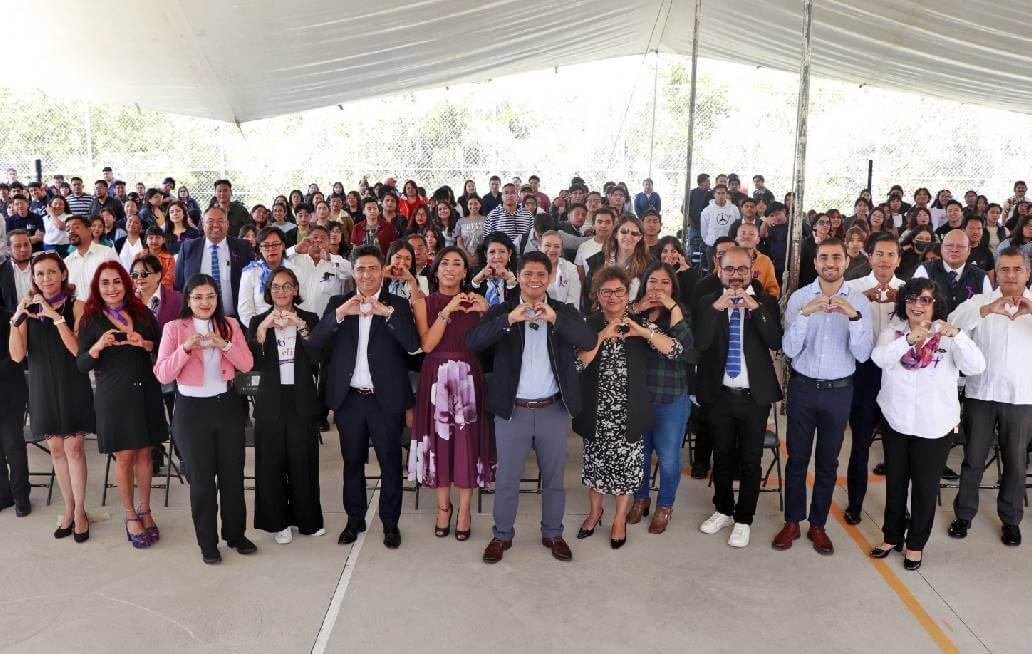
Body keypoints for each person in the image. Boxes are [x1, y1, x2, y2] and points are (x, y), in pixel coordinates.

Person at [466, 251, 596, 564]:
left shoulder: (563, 310)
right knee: (507, 479)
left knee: (554, 479)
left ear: (549, 277)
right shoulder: (504, 310)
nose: (534, 280)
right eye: (528, 274)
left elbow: (588, 339)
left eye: (541, 274)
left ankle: (553, 533)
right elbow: (472, 342)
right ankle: (502, 536)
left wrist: (555, 319)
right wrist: (509, 320)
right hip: (513, 411)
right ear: (519, 276)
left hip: (552, 410)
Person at [308, 245, 420, 550]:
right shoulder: (338, 302)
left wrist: (388, 314)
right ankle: (354, 520)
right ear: (353, 272)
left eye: (373, 268)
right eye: (361, 269)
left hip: (386, 401)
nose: (367, 274)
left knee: (390, 464)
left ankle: (390, 524)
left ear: (382, 270)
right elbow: (315, 344)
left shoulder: (397, 304)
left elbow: (413, 347)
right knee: (352, 463)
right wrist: (340, 315)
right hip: (350, 400)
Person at [869, 278, 984, 570]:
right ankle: (891, 536)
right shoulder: (893, 331)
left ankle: (916, 544)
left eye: (925, 300)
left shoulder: (948, 337)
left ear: (936, 304)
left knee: (924, 488)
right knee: (895, 484)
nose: (917, 305)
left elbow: (976, 367)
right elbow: (879, 359)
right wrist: (907, 340)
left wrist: (957, 335)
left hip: (934, 426)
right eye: (911, 299)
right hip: (896, 421)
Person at [776, 239, 873, 555]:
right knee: (797, 459)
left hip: (839, 391)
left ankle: (818, 525)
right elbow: (789, 350)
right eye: (823, 258)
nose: (829, 263)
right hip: (803, 388)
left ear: (846, 261)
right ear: (815, 262)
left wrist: (854, 318)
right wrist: (805, 314)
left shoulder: (860, 301)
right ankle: (793, 520)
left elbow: (862, 354)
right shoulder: (800, 298)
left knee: (828, 462)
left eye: (836, 257)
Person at [574, 266, 681, 548]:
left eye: (618, 291)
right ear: (597, 295)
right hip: (596, 408)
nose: (612, 297)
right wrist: (602, 335)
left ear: (627, 294)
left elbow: (675, 350)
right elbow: (578, 363)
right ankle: (595, 512)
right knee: (595, 466)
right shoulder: (589, 323)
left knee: (625, 469)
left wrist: (643, 333)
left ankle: (620, 518)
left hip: (630, 408)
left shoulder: (639, 322)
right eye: (606, 291)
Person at [153, 273, 256, 564]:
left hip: (227, 408)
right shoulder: (174, 328)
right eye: (198, 297)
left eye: (210, 296)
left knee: (233, 477)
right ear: (188, 299)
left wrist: (223, 344)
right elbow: (162, 373)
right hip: (191, 412)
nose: (205, 302)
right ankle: (207, 543)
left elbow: (247, 363)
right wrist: (186, 348)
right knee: (201, 482)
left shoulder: (230, 324)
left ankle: (235, 534)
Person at [694, 247, 782, 547]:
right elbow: (700, 343)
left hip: (753, 396)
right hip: (719, 394)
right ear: (719, 269)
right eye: (729, 269)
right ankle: (723, 510)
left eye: (742, 270)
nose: (736, 276)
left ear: (751, 271)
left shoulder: (766, 302)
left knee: (750, 460)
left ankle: (744, 518)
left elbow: (775, 340)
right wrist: (717, 308)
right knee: (721, 456)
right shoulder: (708, 302)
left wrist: (754, 308)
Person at [76, 261, 167, 548]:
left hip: (146, 391)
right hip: (114, 396)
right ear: (97, 287)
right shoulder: (91, 319)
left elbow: (160, 344)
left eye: (117, 281)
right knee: (125, 456)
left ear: (126, 283)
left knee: (145, 453)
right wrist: (97, 347)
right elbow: (81, 364)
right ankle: (130, 515)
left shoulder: (141, 311)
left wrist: (145, 344)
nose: (112, 288)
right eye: (105, 283)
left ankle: (146, 510)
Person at [947, 248, 1032, 547]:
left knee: (1015, 462)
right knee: (972, 458)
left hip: (1021, 397)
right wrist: (987, 309)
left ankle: (1011, 521)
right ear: (996, 272)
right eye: (1005, 269)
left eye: (1017, 269)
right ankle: (964, 515)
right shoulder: (980, 301)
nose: (1011, 275)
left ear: (1027, 272)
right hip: (981, 393)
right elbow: (953, 323)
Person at [8, 252, 95, 541]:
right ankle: (68, 509)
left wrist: (55, 316)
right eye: (40, 274)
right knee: (56, 450)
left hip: (72, 383)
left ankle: (81, 511)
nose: (46, 279)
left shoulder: (78, 306)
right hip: (42, 386)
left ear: (63, 275)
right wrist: (16, 320)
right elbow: (18, 355)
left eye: (51, 272)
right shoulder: (28, 311)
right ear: (33, 278)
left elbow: (77, 351)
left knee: (74, 450)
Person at [409, 247, 493, 541]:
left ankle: (465, 510)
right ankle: (443, 507)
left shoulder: (478, 302)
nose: (450, 268)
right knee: (441, 443)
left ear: (466, 272)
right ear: (436, 269)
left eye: (458, 264)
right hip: (436, 377)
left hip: (469, 376)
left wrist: (487, 313)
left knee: (467, 445)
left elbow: (492, 342)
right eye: (445, 263)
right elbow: (428, 345)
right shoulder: (425, 302)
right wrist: (447, 311)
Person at [246, 267, 325, 545]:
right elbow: (250, 363)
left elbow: (318, 358)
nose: (281, 292)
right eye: (276, 287)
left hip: (301, 398)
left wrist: (302, 328)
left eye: (286, 286)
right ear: (269, 292)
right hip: (271, 400)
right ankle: (278, 522)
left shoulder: (310, 319)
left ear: (295, 290)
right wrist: (262, 331)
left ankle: (307, 519)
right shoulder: (257, 320)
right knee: (271, 463)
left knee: (303, 460)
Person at [626, 262, 694, 534]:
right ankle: (640, 498)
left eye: (665, 282)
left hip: (671, 398)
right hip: (640, 397)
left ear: (673, 288)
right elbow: (614, 326)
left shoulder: (680, 312)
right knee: (639, 454)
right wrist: (639, 308)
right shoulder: (635, 310)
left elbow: (682, 349)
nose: (658, 287)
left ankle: (665, 505)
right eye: (652, 281)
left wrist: (673, 307)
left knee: (667, 459)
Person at [842, 233, 904, 521]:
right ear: (869, 256)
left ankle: (898, 506)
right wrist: (860, 302)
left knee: (897, 446)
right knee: (860, 444)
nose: (885, 260)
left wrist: (902, 302)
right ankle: (855, 502)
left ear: (899, 259)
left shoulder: (908, 290)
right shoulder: (852, 288)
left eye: (891, 254)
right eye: (879, 253)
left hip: (897, 375)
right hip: (863, 373)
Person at [173, 207, 255, 317]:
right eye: (210, 221)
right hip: (197, 319)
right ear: (203, 223)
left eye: (220, 221)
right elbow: (179, 283)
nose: (216, 225)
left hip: (236, 319)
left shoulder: (243, 246)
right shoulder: (188, 248)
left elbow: (252, 281)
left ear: (227, 224)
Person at [912, 229, 992, 314]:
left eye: (960, 246)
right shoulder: (925, 270)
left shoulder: (981, 277)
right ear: (942, 248)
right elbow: (915, 305)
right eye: (949, 246)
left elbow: (987, 311)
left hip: (967, 327)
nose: (954, 250)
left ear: (969, 250)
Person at [0, 304, 30, 516]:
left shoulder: (9, 317)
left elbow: (17, 357)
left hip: (9, 393)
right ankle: (4, 495)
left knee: (13, 446)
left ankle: (21, 497)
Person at [583, 214, 652, 303]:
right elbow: (588, 294)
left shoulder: (649, 264)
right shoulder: (598, 260)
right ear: (615, 234)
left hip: (635, 315)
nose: (628, 236)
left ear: (640, 237)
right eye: (624, 232)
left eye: (634, 233)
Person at [238, 227, 291, 327]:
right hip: (261, 332)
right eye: (266, 246)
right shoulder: (250, 272)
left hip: (291, 329)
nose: (271, 249)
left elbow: (302, 303)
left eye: (275, 244)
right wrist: (260, 329)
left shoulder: (295, 270)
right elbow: (245, 311)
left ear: (283, 245)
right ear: (260, 249)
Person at [64, 215, 118, 301]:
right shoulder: (67, 262)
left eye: (76, 227)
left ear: (89, 230)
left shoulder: (106, 253)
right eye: (67, 229)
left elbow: (119, 282)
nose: (71, 231)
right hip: (76, 311)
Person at [471, 232, 518, 307]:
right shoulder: (475, 274)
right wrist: (477, 280)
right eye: (492, 252)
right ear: (486, 254)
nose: (497, 256)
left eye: (502, 251)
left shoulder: (518, 274)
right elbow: (469, 298)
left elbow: (517, 304)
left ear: (509, 253)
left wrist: (510, 279)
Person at [734, 221, 780, 297]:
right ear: (736, 239)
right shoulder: (727, 260)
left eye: (751, 234)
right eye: (743, 233)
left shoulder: (765, 261)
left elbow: (773, 291)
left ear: (758, 240)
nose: (746, 237)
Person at [655, 236, 698, 310]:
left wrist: (687, 270)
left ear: (679, 254)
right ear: (659, 254)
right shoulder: (653, 271)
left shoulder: (686, 271)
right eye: (665, 251)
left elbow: (695, 295)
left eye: (673, 251)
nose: (669, 255)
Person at [539, 230, 581, 305]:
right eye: (547, 245)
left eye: (557, 246)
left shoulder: (570, 269)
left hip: (564, 315)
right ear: (539, 247)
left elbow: (573, 302)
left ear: (561, 251)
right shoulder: (529, 268)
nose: (552, 250)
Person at [1, 230, 33, 312]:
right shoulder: (1, 272)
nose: (23, 249)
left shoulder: (42, 266)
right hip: (13, 320)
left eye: (26, 244)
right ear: (8, 250)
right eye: (18, 246)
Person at [455, 194, 485, 262]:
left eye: (476, 203)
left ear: (480, 205)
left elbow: (489, 240)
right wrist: (468, 257)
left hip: (483, 258)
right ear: (467, 206)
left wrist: (478, 256)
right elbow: (459, 242)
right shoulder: (460, 221)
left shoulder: (486, 220)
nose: (473, 206)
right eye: (470, 204)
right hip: (465, 258)